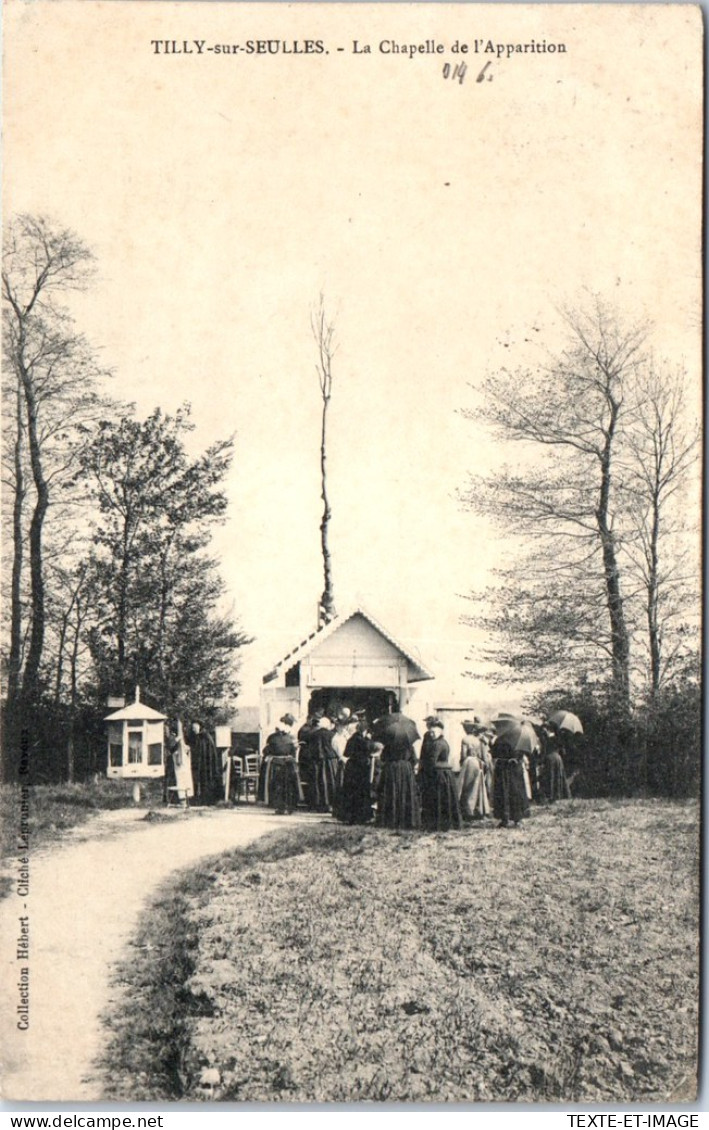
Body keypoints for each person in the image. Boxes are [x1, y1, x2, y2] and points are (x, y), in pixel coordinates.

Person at [372, 710, 422, 830]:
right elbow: (414, 760)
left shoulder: (388, 745)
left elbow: (383, 758)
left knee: (391, 792)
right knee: (406, 792)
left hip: (391, 769)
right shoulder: (408, 745)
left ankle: (390, 819)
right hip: (406, 770)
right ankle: (406, 819)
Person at [418, 717, 462, 831]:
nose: (432, 734)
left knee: (438, 799)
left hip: (439, 774)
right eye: (431, 732)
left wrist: (424, 770)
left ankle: (438, 823)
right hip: (443, 773)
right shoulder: (441, 741)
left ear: (440, 732)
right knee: (442, 799)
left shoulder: (438, 744)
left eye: (434, 732)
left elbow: (432, 760)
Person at [336, 718, 382, 824]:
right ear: (365, 730)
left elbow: (346, 753)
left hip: (352, 768)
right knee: (361, 792)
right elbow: (370, 751)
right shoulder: (364, 741)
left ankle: (350, 816)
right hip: (361, 769)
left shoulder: (352, 739)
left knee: (351, 792)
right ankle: (361, 816)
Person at [261, 713, 303, 814]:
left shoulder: (272, 738)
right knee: (289, 786)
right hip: (288, 764)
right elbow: (293, 751)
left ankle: (278, 806)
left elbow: (266, 751)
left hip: (276, 765)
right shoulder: (291, 738)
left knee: (277, 786)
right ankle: (290, 807)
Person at [491, 733, 530, 828]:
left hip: (503, 769)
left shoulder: (499, 740)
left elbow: (494, 754)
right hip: (515, 768)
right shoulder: (520, 739)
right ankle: (518, 819)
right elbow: (523, 754)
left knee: (503, 792)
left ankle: (505, 819)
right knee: (516, 792)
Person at [303, 712, 339, 811]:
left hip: (316, 761)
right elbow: (337, 748)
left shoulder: (312, 735)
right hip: (329, 761)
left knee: (317, 782)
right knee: (330, 781)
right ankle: (330, 804)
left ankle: (318, 804)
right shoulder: (332, 735)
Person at [458, 719, 491, 820]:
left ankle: (468, 810)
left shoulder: (465, 739)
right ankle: (479, 809)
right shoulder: (479, 740)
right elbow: (483, 755)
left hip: (468, 762)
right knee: (478, 786)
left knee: (465, 786)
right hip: (478, 762)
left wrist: (461, 762)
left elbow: (464, 754)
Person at [187, 721, 223, 804]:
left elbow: (210, 751)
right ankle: (197, 799)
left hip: (206, 763)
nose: (194, 730)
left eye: (195, 728)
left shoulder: (206, 737)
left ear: (199, 727)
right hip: (198, 763)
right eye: (193, 728)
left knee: (206, 781)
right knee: (196, 780)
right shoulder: (195, 737)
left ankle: (206, 800)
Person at [540, 721, 571, 802]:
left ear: (549, 729)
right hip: (557, 758)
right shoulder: (556, 737)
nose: (544, 731)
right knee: (556, 776)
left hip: (551, 758)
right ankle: (556, 795)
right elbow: (563, 750)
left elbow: (544, 751)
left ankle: (553, 796)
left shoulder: (548, 739)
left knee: (552, 776)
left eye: (545, 729)